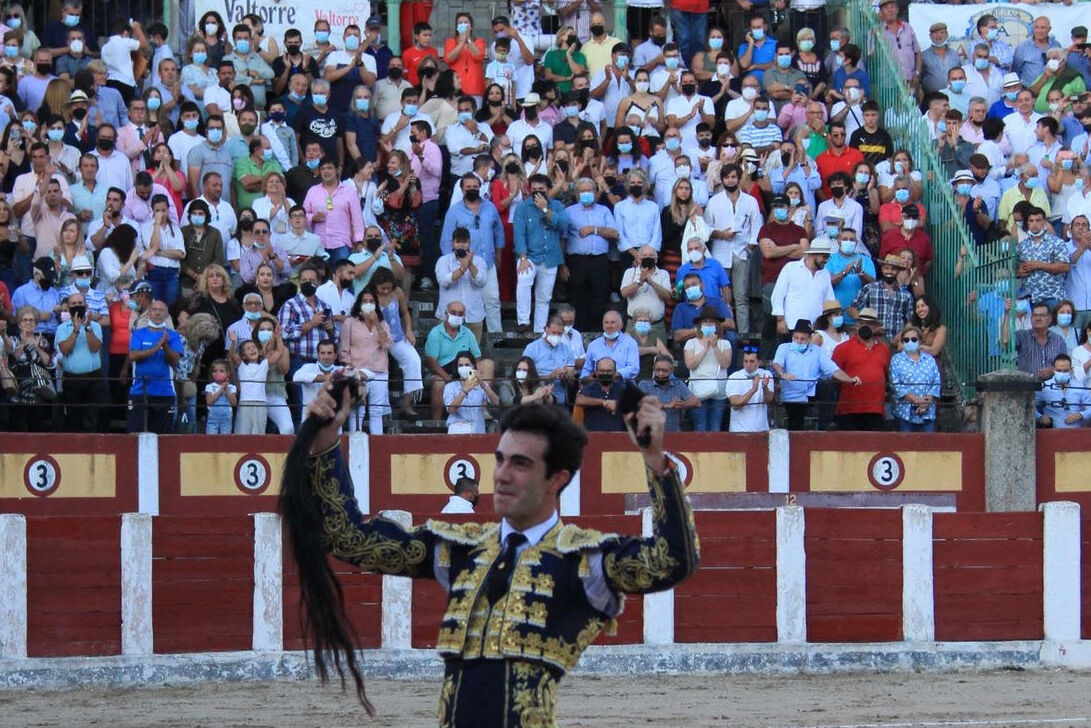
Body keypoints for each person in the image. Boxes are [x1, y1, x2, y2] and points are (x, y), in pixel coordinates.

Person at [289, 382, 696, 725]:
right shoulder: (463, 550)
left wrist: (656, 462)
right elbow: (348, 539)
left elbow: (671, 560)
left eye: (520, 464)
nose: (501, 475)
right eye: (500, 460)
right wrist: (325, 443)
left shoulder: (584, 561)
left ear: (558, 478)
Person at [773, 319, 858, 430]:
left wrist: (850, 379)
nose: (799, 341)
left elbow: (833, 370)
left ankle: (825, 427)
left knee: (827, 387)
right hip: (792, 392)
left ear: (809, 339)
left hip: (811, 389)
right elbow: (776, 363)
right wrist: (782, 373)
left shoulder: (817, 351)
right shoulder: (784, 348)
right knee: (795, 422)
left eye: (802, 339)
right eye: (796, 338)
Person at [339, 289, 393, 435]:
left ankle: (377, 443)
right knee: (358, 410)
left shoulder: (382, 323)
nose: (368, 304)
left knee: (376, 411)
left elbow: (387, 345)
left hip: (379, 372)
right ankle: (354, 442)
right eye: (365, 301)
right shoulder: (350, 322)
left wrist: (376, 322)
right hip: (358, 372)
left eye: (371, 301)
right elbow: (344, 350)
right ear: (359, 304)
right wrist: (351, 371)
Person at [124, 299, 181, 434]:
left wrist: (165, 345)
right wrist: (155, 348)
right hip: (139, 391)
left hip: (164, 392)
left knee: (164, 436)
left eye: (161, 310)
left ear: (167, 315)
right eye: (154, 310)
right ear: (148, 313)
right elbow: (133, 356)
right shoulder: (139, 333)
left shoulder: (173, 335)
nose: (157, 313)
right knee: (135, 434)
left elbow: (174, 361)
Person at [831, 311, 890, 431]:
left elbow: (885, 374)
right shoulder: (843, 348)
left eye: (869, 324)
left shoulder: (884, 350)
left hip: (876, 409)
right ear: (856, 325)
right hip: (850, 410)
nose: (865, 327)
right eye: (861, 323)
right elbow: (833, 375)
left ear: (876, 327)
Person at [54, 289, 102, 432]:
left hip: (93, 378)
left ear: (86, 306)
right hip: (72, 380)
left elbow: (94, 348)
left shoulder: (95, 326)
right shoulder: (62, 328)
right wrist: (75, 330)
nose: (77, 305)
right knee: (73, 420)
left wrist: (87, 327)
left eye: (80, 303)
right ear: (68, 308)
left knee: (92, 419)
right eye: (74, 303)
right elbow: (65, 350)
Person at [683, 304, 732, 432]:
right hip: (698, 389)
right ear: (700, 324)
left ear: (717, 325)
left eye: (711, 322)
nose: (709, 325)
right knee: (700, 427)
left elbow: (725, 364)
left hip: (719, 390)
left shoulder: (724, 343)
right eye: (705, 322)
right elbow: (690, 364)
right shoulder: (691, 343)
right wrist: (705, 349)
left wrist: (715, 346)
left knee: (715, 427)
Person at [890, 324, 942, 433]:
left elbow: (936, 382)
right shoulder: (896, 360)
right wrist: (916, 400)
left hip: (927, 411)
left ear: (920, 341)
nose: (910, 342)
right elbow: (896, 384)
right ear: (903, 342)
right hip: (904, 412)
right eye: (906, 340)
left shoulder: (930, 359)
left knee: (928, 447)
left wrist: (926, 401)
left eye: (914, 339)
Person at [444, 349, 499, 434]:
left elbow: (496, 402)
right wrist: (464, 390)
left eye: (467, 365)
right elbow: (451, 410)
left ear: (473, 366)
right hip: (457, 429)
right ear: (457, 368)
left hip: (477, 429)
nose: (464, 367)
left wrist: (484, 385)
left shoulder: (481, 385)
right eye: (460, 365)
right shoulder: (450, 387)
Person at [725, 343, 775, 433]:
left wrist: (764, 387)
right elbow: (735, 405)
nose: (748, 365)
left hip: (761, 430)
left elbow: (769, 400)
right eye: (745, 361)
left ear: (759, 362)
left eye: (752, 361)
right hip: (739, 431)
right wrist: (753, 390)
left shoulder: (766, 374)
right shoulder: (734, 377)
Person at [1036, 354, 1091, 429]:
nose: (1062, 373)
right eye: (1059, 370)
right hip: (1052, 434)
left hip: (1076, 434)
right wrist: (1040, 417)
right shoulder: (1045, 387)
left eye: (1065, 371)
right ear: (1053, 370)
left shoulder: (1079, 386)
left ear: (1071, 370)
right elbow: (1030, 406)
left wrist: (1081, 415)